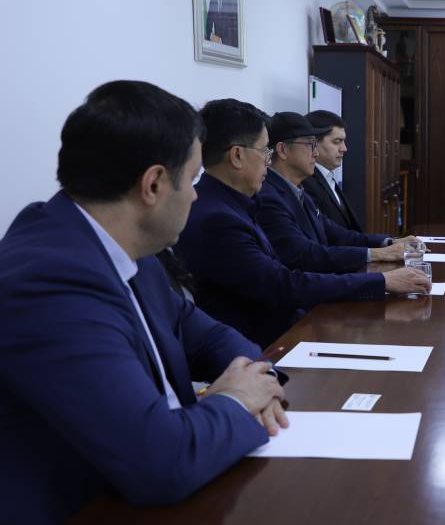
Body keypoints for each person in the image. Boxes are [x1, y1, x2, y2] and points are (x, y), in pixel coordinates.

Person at [0, 81, 288, 522]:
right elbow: (162, 462)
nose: (196, 194)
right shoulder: (48, 283)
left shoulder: (126, 245)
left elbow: (207, 335)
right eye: (192, 179)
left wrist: (256, 382)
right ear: (153, 184)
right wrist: (235, 401)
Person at [176, 100, 429, 347]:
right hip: (267, 346)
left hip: (290, 328)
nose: (268, 160)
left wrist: (384, 255)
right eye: (264, 151)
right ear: (237, 156)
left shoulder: (235, 202)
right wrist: (382, 281)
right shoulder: (218, 218)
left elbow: (327, 240)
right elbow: (283, 284)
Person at [256, 112, 417, 274]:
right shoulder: (269, 197)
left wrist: (389, 243)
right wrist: (378, 255)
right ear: (282, 150)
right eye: (310, 145)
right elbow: (303, 254)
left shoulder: (298, 190)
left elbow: (338, 235)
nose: (316, 153)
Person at [301, 110, 365, 231]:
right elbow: (326, 233)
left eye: (343, 141)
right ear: (313, 143)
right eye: (337, 142)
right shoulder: (305, 183)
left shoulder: (327, 176)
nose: (344, 148)